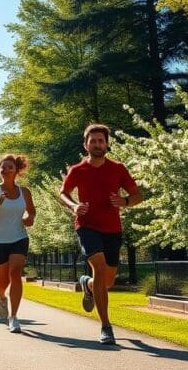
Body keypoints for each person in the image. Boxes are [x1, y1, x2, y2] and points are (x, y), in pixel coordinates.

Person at [59, 124, 142, 345]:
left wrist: (124, 201)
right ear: (86, 145)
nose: (97, 144)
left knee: (107, 281)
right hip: (86, 226)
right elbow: (63, 193)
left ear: (106, 144)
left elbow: (136, 195)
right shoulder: (77, 170)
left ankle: (87, 285)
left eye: (101, 141)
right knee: (100, 266)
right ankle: (106, 326)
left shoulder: (118, 169)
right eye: (93, 141)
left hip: (112, 228)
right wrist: (74, 206)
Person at [0, 154, 36, 333]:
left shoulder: (24, 192)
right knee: (1, 283)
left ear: (16, 170)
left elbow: (32, 212)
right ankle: (2, 297)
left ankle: (14, 317)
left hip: (19, 238)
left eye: (9, 167)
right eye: (3, 167)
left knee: (15, 274)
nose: (5, 170)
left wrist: (28, 218)